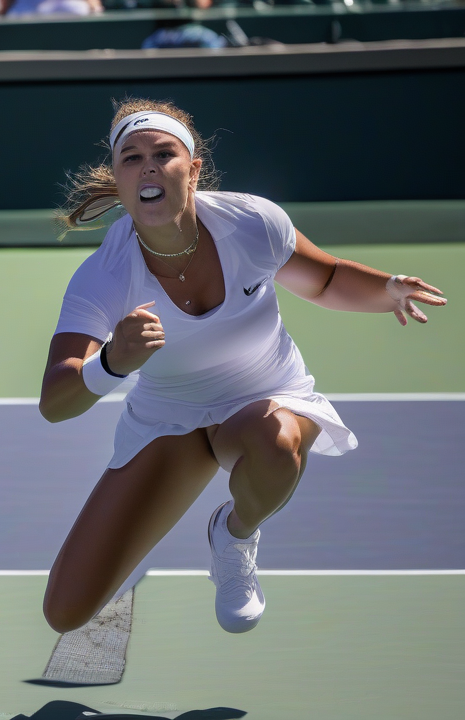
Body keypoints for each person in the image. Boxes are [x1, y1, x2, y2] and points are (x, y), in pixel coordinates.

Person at [39, 99, 445, 636]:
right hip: (170, 420)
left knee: (275, 444)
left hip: (265, 396)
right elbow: (55, 401)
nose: (150, 167)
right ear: (118, 180)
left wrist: (385, 290)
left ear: (194, 168)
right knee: (65, 612)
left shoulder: (253, 223)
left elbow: (323, 280)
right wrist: (111, 363)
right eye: (132, 158)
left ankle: (234, 534)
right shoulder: (104, 276)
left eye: (165, 153)